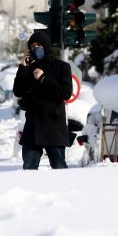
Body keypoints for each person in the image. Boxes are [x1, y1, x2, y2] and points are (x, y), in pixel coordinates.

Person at [13, 31, 73, 170]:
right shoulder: (29, 68)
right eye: (32, 46)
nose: (36, 48)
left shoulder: (62, 67)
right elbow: (18, 91)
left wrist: (43, 78)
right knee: (28, 166)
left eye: (39, 45)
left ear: (46, 46)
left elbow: (65, 93)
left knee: (59, 167)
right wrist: (22, 67)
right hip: (32, 126)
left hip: (54, 127)